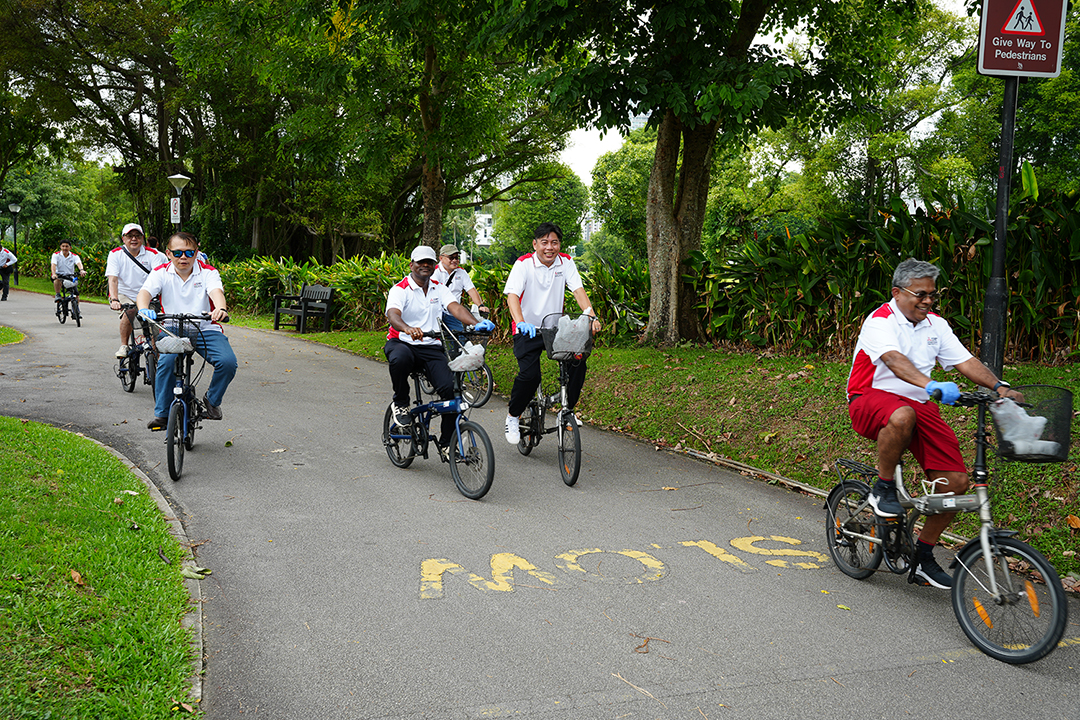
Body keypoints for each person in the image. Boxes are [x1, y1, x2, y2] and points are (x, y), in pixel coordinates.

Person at [846, 258, 1019, 589]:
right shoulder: (879, 321)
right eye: (920, 294)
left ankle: (923, 557)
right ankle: (883, 488)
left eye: (932, 295)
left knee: (956, 482)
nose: (927, 301)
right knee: (903, 414)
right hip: (870, 398)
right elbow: (894, 361)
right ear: (898, 293)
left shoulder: (935, 325)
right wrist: (930, 385)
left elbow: (965, 360)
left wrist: (999, 387)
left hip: (919, 404)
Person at [385, 245, 495, 458]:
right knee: (399, 358)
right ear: (412, 265)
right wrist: (407, 328)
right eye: (421, 262)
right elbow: (393, 315)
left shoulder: (438, 287)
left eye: (429, 262)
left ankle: (446, 444)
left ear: (434, 266)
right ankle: (400, 403)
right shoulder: (400, 289)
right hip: (403, 342)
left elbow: (456, 308)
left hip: (431, 347)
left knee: (450, 391)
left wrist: (475, 323)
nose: (425, 265)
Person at [502, 222, 600, 445]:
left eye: (554, 242)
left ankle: (567, 410)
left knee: (578, 362)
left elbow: (578, 290)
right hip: (527, 329)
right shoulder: (523, 264)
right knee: (530, 376)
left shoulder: (565, 262)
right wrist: (521, 321)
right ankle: (513, 416)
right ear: (535, 244)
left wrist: (591, 316)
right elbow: (512, 296)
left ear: (559, 244)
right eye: (544, 242)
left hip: (555, 330)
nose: (549, 247)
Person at [136, 232, 237, 431]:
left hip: (205, 327)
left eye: (189, 252)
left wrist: (220, 309)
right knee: (165, 363)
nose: (184, 257)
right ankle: (163, 414)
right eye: (178, 253)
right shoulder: (160, 272)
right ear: (168, 253)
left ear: (196, 253)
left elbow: (216, 292)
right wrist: (142, 308)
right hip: (173, 329)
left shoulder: (208, 272)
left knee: (227, 363)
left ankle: (212, 400)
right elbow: (145, 293)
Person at [106, 223, 164, 358]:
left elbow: (159, 277)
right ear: (123, 238)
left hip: (147, 294)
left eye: (137, 236)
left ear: (142, 238)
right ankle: (124, 345)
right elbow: (113, 279)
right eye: (130, 236)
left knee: (154, 321)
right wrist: (114, 299)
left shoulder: (153, 254)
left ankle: (156, 352)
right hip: (125, 293)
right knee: (129, 312)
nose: (134, 239)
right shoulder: (115, 254)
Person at [432, 243, 488, 355]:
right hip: (435, 313)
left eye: (456, 258)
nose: (454, 260)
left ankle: (458, 365)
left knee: (461, 341)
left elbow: (471, 290)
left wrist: (480, 306)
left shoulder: (461, 273)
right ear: (441, 258)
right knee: (434, 342)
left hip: (453, 313)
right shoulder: (434, 272)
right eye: (451, 257)